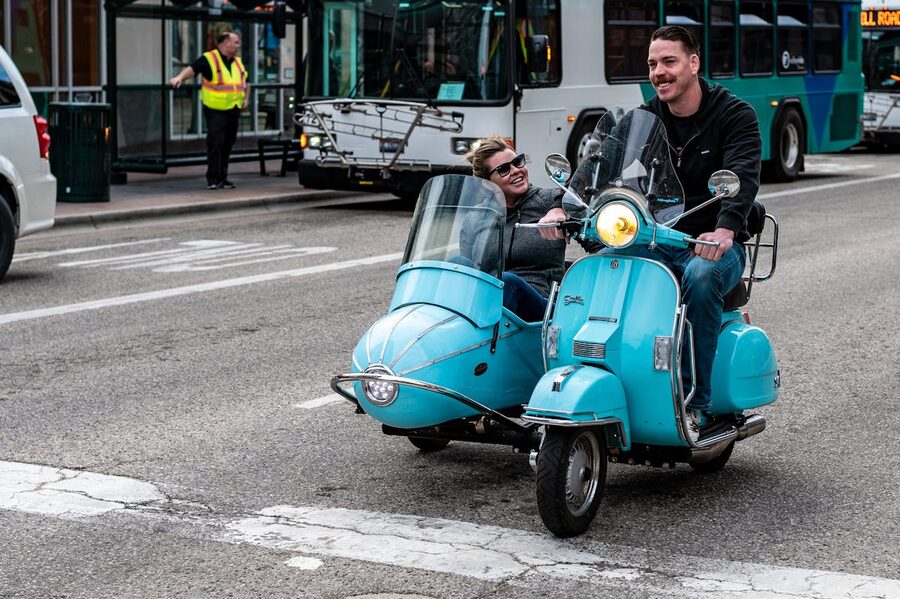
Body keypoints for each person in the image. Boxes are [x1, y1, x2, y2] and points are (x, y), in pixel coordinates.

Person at [642, 25, 761, 430]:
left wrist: (726, 229)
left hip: (711, 244)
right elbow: (603, 169)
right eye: (653, 64)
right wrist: (564, 206)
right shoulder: (646, 118)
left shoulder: (734, 114)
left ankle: (696, 400)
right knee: (603, 266)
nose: (659, 72)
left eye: (669, 61)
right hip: (658, 237)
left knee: (702, 273)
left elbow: (742, 175)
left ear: (693, 63)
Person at [463, 136, 568, 321]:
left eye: (517, 162)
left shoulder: (550, 200)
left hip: (541, 305)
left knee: (507, 281)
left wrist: (559, 207)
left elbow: (578, 193)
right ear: (487, 182)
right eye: (504, 169)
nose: (516, 171)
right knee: (458, 264)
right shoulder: (476, 218)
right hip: (488, 306)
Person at [170, 31, 249, 190]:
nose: (238, 45)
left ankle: (223, 178)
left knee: (227, 144)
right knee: (216, 143)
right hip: (215, 110)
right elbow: (192, 69)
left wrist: (246, 98)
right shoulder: (209, 58)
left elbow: (246, 82)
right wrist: (178, 78)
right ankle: (213, 178)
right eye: (235, 42)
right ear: (225, 43)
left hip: (233, 109)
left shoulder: (237, 62)